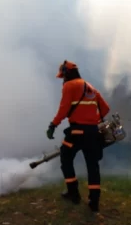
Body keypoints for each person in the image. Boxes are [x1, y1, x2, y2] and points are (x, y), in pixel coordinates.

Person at [47, 60, 111, 213]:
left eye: (63, 76)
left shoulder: (69, 86)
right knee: (92, 166)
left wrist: (53, 125)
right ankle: (94, 202)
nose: (62, 79)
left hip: (76, 133)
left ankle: (73, 194)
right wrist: (92, 121)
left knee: (65, 158)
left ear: (67, 73)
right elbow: (105, 109)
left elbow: (63, 109)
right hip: (93, 134)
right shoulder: (91, 88)